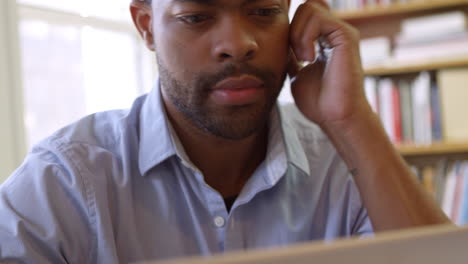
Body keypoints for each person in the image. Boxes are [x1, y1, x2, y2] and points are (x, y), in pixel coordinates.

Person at [0, 0, 450, 263]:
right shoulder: (67, 179)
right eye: (197, 16)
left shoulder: (344, 162)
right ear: (146, 26)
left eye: (263, 10)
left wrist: (352, 123)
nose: (238, 44)